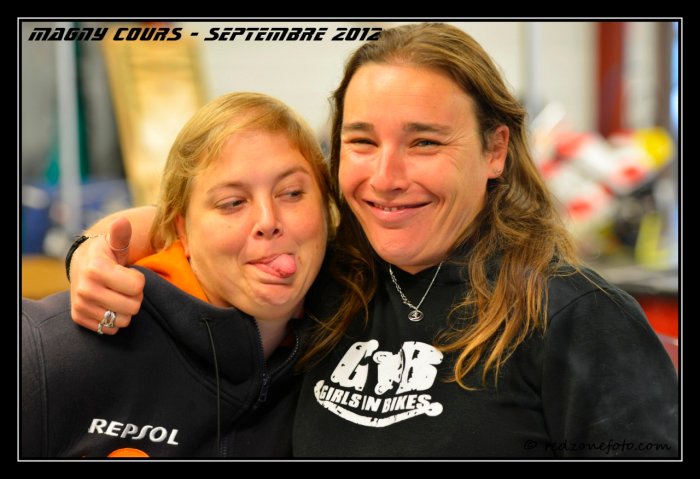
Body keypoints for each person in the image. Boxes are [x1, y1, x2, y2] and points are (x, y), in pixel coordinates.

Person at [63, 23, 678, 458]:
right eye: (361, 141)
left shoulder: (574, 317)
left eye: (424, 142)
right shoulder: (331, 279)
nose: (386, 177)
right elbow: (207, 222)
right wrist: (91, 251)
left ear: (495, 150)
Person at [21, 92, 334, 457]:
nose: (268, 220)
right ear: (182, 229)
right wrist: (86, 247)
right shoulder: (47, 351)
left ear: (326, 209)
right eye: (233, 202)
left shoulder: (352, 341)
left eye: (292, 193)